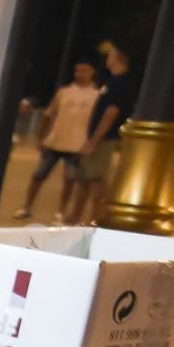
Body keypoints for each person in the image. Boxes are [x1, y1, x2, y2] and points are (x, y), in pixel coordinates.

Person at [13, 57, 99, 222]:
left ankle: (60, 211)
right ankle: (26, 206)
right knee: (38, 175)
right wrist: (41, 137)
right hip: (55, 142)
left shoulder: (96, 95)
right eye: (77, 70)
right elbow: (49, 115)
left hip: (76, 145)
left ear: (92, 72)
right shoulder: (63, 92)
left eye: (84, 70)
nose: (80, 74)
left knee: (70, 180)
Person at [66, 45, 140, 226]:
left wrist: (94, 140)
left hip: (104, 138)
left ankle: (94, 217)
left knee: (96, 177)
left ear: (119, 58)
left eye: (112, 55)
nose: (108, 58)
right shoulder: (113, 81)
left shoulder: (121, 82)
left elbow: (111, 112)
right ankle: (75, 217)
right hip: (95, 137)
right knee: (83, 177)